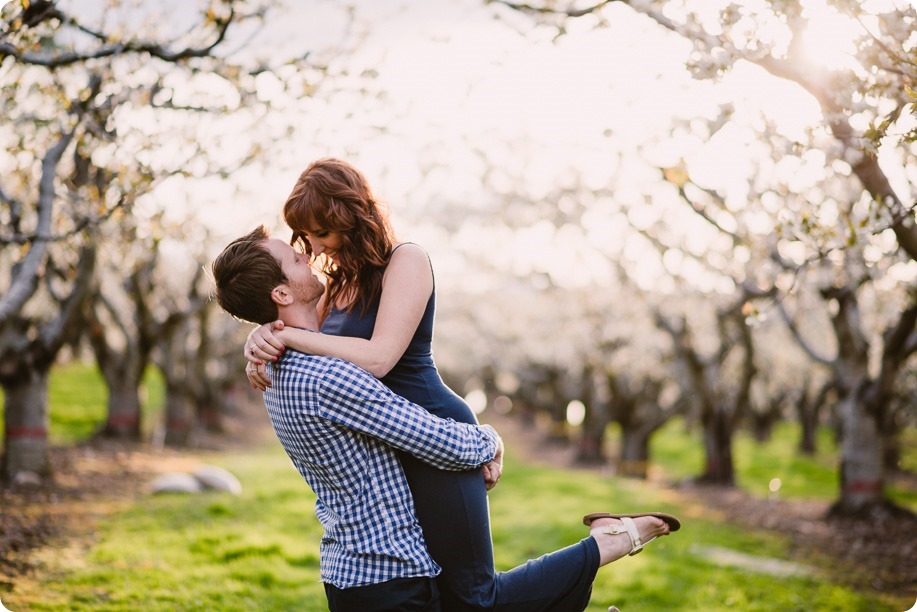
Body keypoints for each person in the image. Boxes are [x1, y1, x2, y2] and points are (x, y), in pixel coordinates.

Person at [239, 160, 680, 610]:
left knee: (473, 599)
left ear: (350, 217)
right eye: (305, 238)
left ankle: (608, 541)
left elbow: (378, 359)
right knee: (442, 598)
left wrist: (289, 335)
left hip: (435, 432)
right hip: (388, 447)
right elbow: (291, 319)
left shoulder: (405, 261)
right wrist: (261, 336)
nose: (312, 248)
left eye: (320, 233)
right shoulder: (333, 284)